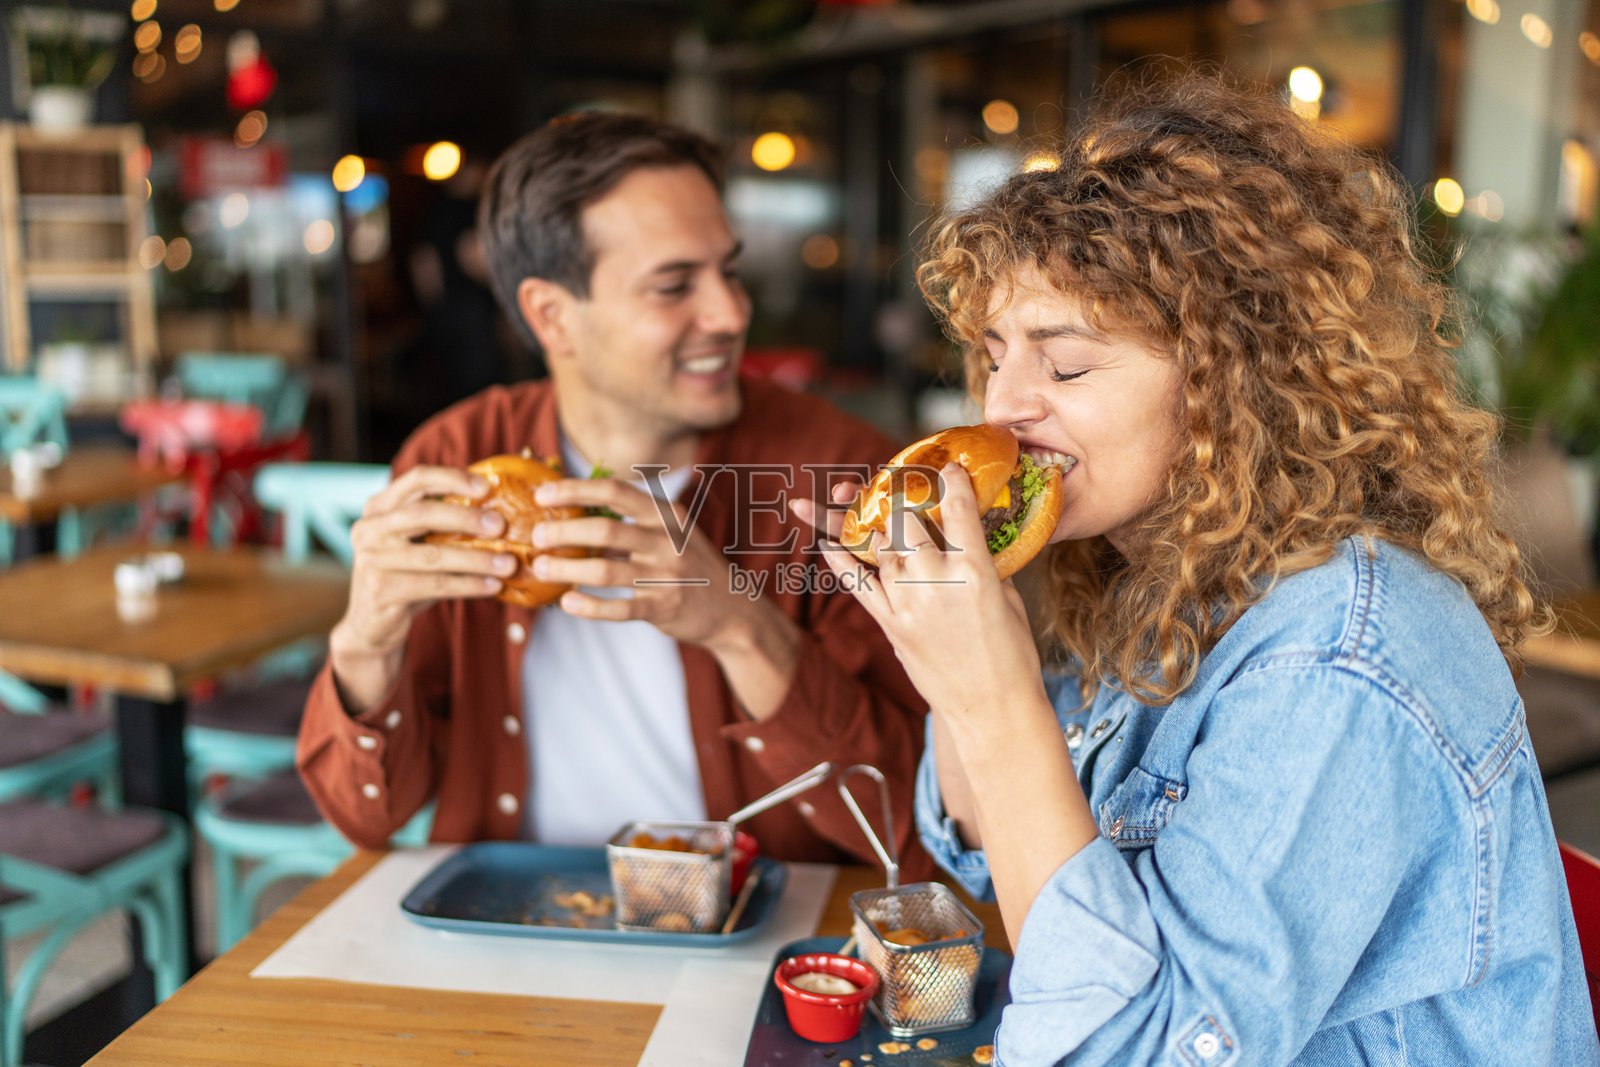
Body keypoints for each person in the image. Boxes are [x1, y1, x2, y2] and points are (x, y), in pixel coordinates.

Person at [798, 73, 1599, 1064]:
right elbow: (988, 862)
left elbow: (1135, 1048)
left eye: (1066, 364)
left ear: (1233, 379)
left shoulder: (1336, 656)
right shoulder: (1164, 580)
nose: (1000, 407)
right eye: (993, 353)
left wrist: (996, 698)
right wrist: (956, 656)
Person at [297, 111, 931, 876]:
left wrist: (740, 626)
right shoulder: (456, 461)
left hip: (753, 937)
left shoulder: (841, 478)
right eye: (674, 286)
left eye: (728, 270)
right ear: (551, 316)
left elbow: (919, 832)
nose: (731, 313)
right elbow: (366, 815)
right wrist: (365, 644)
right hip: (508, 928)